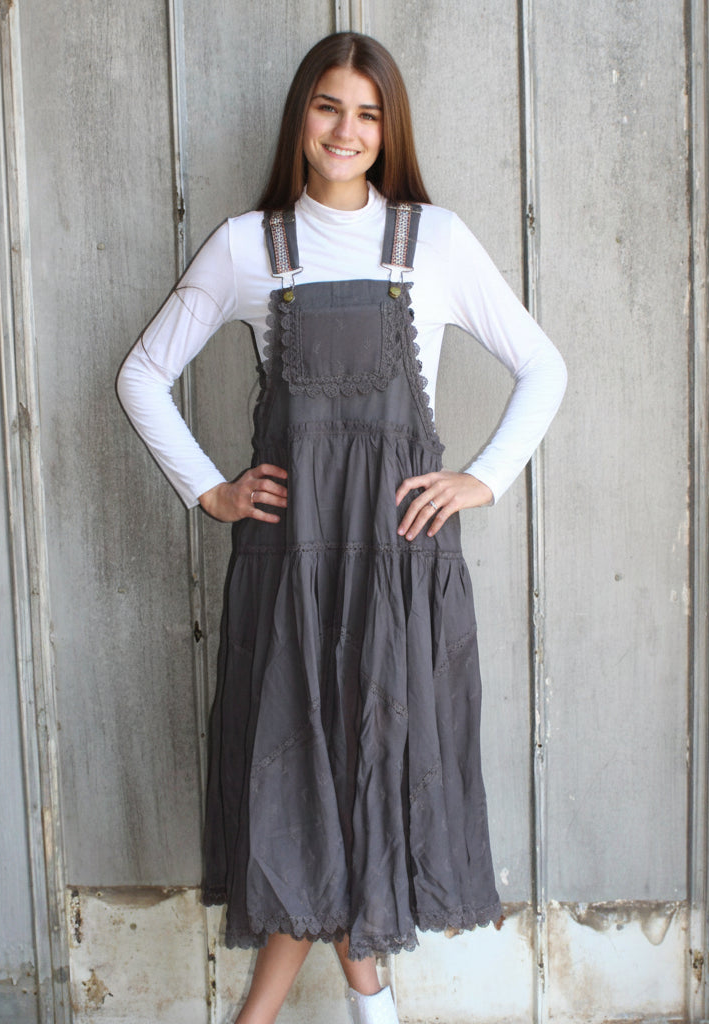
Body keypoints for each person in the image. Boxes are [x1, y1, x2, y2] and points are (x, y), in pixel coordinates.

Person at [117, 32, 566, 1024]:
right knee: (296, 786)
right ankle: (362, 1000)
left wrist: (479, 481)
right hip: (290, 572)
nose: (346, 129)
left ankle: (274, 1013)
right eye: (328, 106)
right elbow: (140, 374)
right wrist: (210, 490)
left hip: (400, 568)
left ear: (387, 127)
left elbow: (544, 368)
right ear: (302, 118)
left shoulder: (432, 242)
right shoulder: (249, 246)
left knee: (368, 780)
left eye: (366, 112)